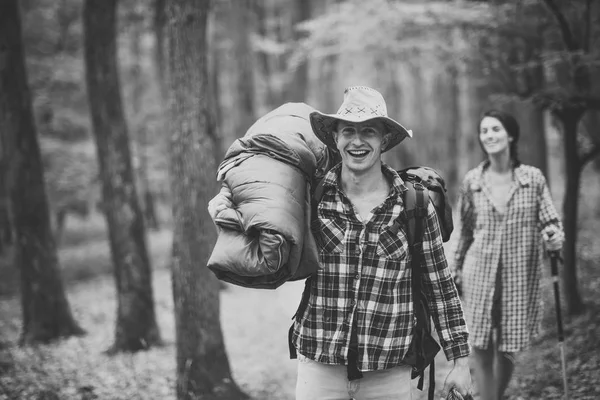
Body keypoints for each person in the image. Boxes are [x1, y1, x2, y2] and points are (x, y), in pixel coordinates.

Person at [209, 86, 472, 399]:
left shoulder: (414, 205)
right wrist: (227, 209)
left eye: (369, 131)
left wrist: (460, 361)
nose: (357, 141)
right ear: (335, 137)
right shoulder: (313, 197)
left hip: (389, 373)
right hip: (319, 368)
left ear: (384, 139)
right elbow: (265, 219)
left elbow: (439, 286)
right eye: (348, 130)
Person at [453, 110, 564, 400]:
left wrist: (553, 235)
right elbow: (464, 232)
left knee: (507, 345)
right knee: (479, 342)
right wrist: (455, 269)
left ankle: (494, 396)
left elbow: (550, 221)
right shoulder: (473, 181)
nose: (489, 135)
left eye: (496, 129)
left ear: (510, 135)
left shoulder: (532, 179)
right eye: (484, 130)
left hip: (517, 276)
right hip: (478, 273)